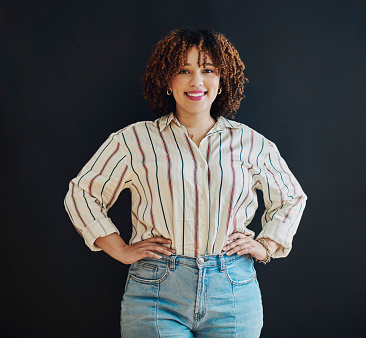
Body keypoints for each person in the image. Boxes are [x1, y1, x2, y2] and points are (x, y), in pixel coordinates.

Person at [64, 28, 306, 337]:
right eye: (184, 70)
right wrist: (121, 250)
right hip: (155, 290)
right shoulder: (134, 140)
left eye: (208, 70)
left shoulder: (251, 143)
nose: (196, 81)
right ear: (167, 81)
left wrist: (266, 245)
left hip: (232, 291)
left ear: (221, 81)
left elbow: (291, 197)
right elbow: (82, 193)